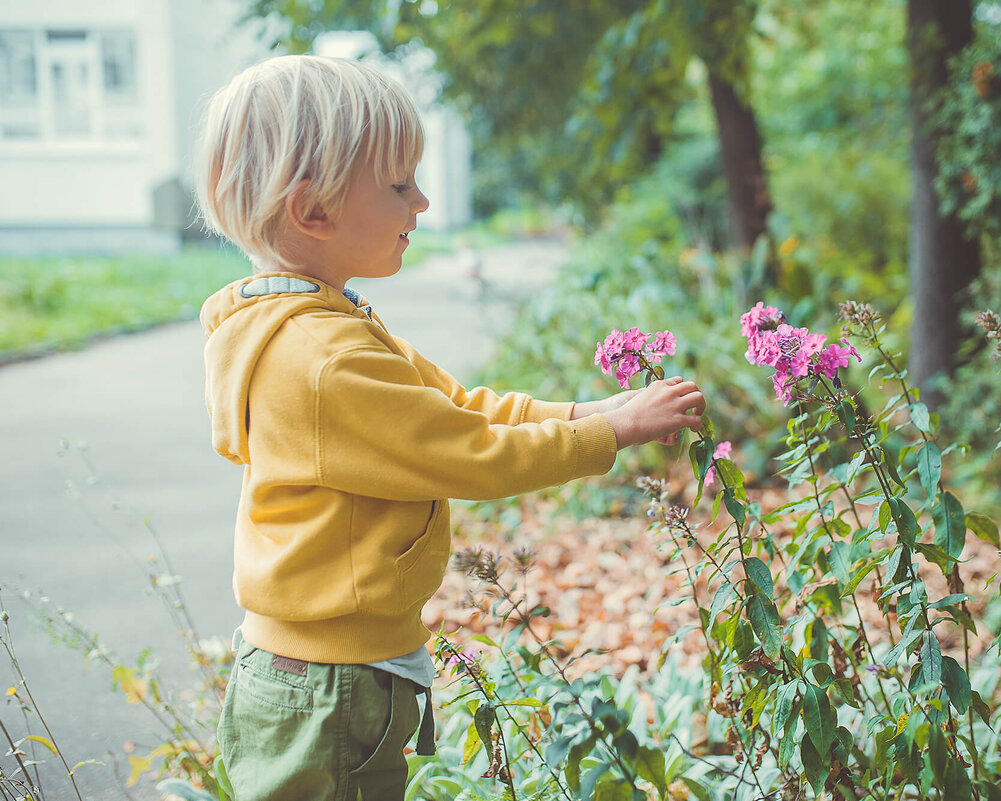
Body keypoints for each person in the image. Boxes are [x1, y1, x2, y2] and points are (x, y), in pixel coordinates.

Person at [193, 54, 705, 800]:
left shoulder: (322, 322)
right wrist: (613, 435)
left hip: (333, 672)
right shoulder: (323, 359)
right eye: (399, 184)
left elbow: (460, 408)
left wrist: (593, 412)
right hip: (331, 687)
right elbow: (473, 454)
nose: (424, 201)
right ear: (316, 212)